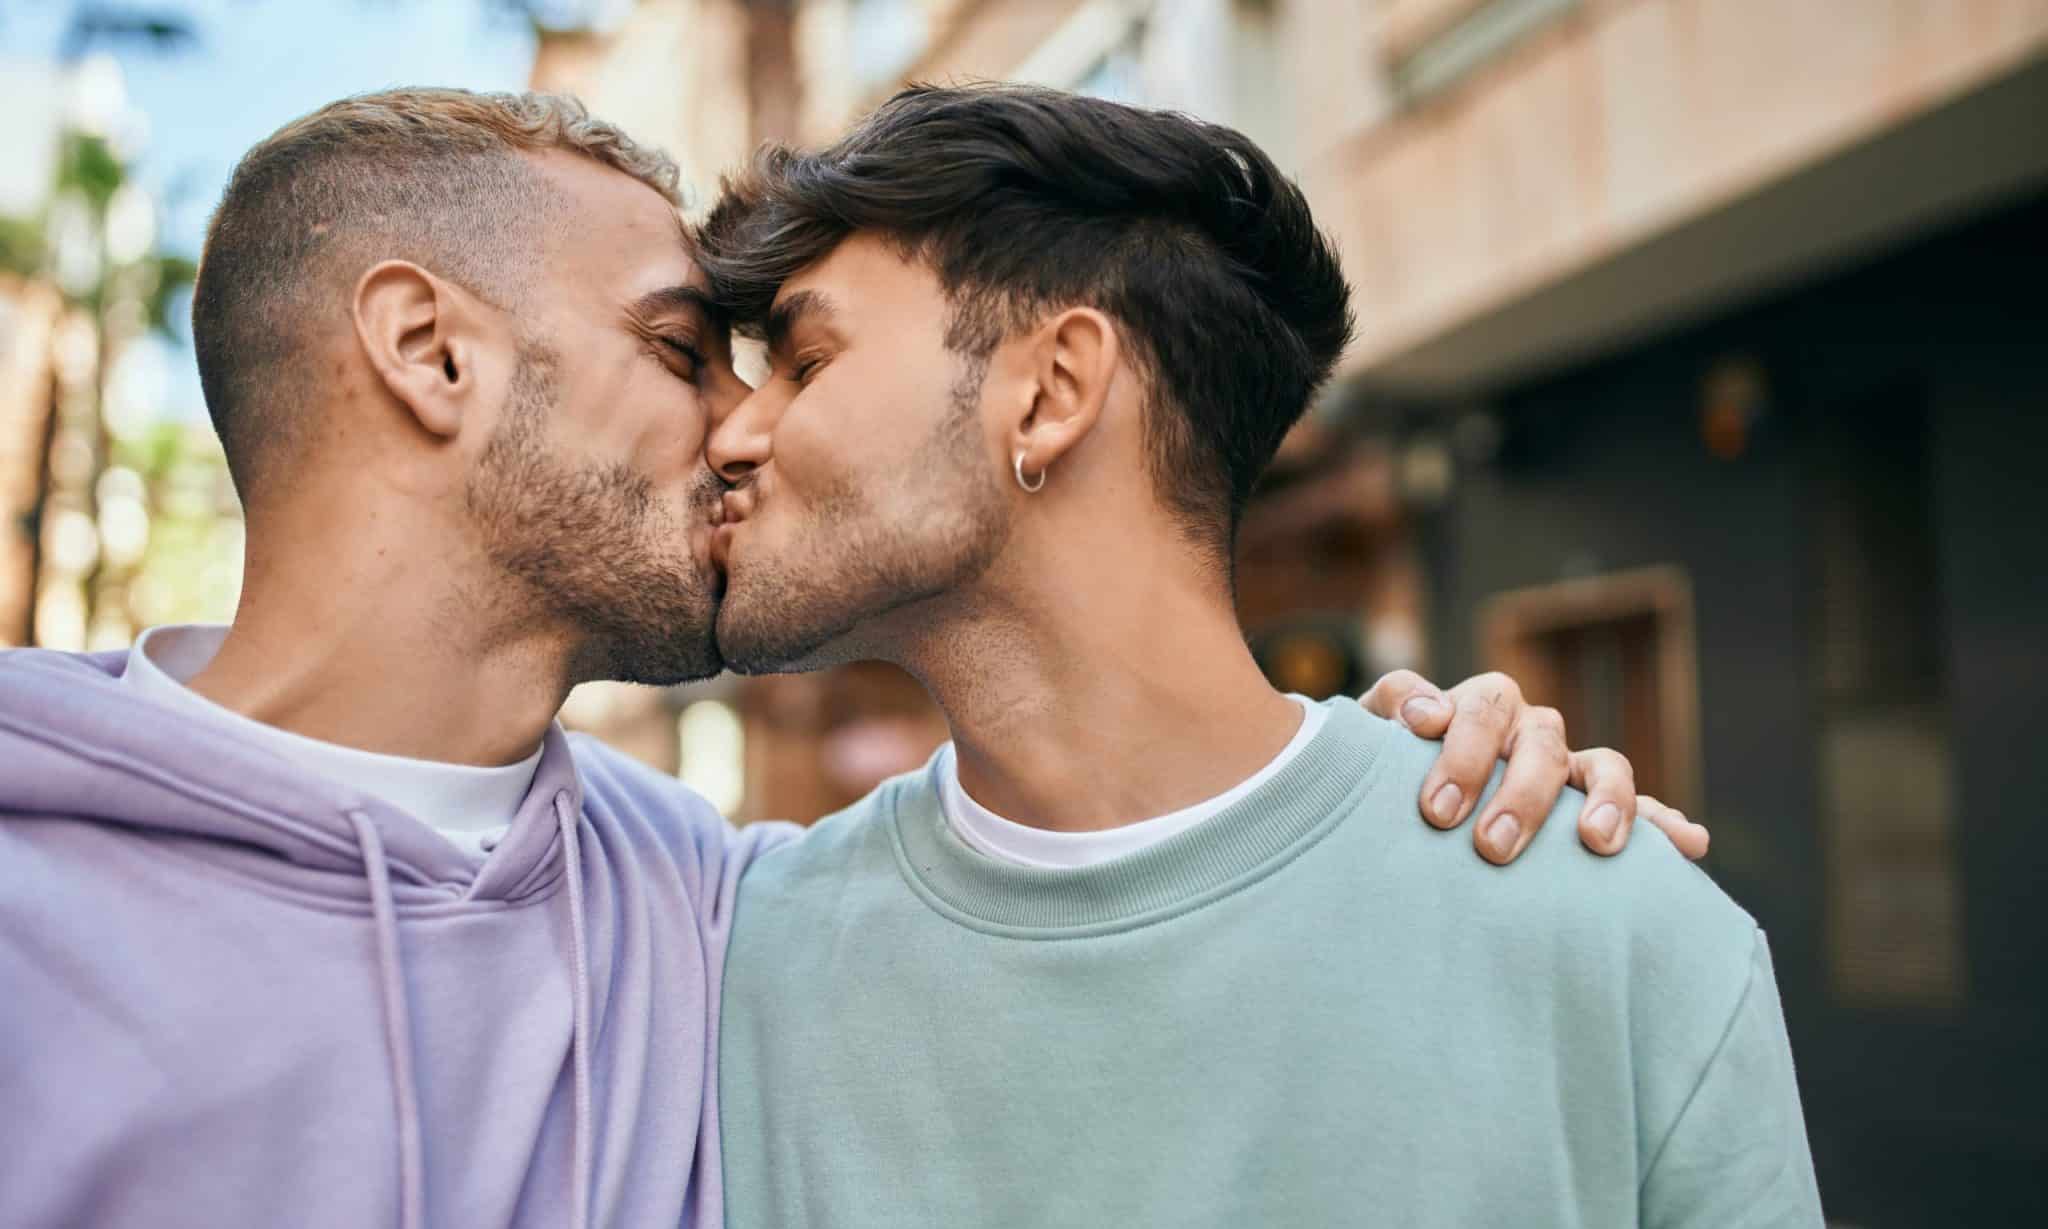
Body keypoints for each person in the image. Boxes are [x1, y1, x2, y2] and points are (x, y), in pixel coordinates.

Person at [1, 89, 1692, 1229]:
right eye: (681, 347)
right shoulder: (33, 897)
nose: (733, 422)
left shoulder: (715, 910)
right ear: (428, 352)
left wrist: (1418, 776)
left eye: (781, 360)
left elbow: (1129, 877)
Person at [699, 84, 1823, 1226]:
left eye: (801, 360)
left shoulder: (1619, 931)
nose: (733, 431)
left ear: (1049, 391)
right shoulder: (734, 959)